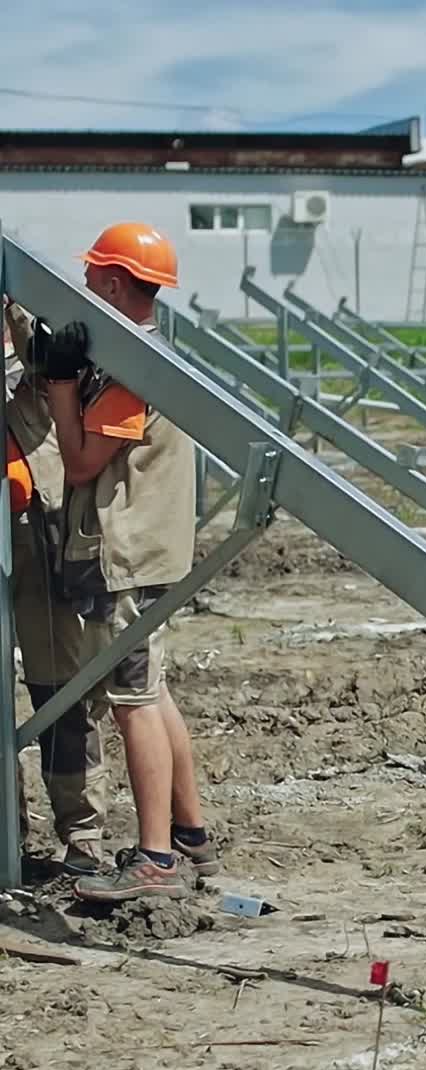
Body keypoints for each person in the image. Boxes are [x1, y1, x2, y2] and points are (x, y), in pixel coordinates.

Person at [35, 223, 215, 900]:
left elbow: (81, 465)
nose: (82, 289)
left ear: (113, 284)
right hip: (147, 550)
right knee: (154, 689)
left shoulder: (131, 374)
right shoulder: (151, 357)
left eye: (90, 279)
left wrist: (57, 385)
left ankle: (156, 862)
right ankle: (191, 833)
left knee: (132, 701)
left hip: (126, 555)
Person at [3, 298, 110, 874]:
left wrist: (27, 334)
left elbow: (56, 386)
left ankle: (81, 830)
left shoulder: (31, 335)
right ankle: (6, 831)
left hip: (35, 526)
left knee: (58, 688)